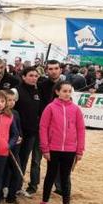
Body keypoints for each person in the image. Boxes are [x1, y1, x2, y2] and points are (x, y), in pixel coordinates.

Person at [36, 81, 86, 204]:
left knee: (65, 177)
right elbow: (43, 127)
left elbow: (81, 130)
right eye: (64, 91)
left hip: (70, 149)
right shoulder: (50, 107)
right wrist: (45, 148)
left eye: (69, 91)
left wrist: (79, 150)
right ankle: (44, 202)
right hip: (53, 148)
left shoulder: (76, 109)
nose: (67, 94)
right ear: (57, 92)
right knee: (50, 176)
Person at [26, 59, 65, 196]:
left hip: (58, 130)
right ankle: (33, 185)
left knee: (58, 159)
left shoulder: (66, 87)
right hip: (41, 127)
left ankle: (59, 186)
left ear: (60, 69)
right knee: (36, 158)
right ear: (46, 70)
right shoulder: (41, 85)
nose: (53, 71)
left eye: (56, 68)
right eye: (50, 69)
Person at [14, 67, 41, 200]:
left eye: (36, 76)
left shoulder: (37, 91)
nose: (34, 78)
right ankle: (8, 187)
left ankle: (18, 187)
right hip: (17, 134)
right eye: (31, 75)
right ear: (24, 77)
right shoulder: (16, 91)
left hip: (31, 133)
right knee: (14, 161)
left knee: (24, 160)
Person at [0, 89, 22, 204]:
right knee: (1, 172)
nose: (12, 102)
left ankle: (11, 196)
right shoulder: (1, 114)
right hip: (4, 148)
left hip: (15, 149)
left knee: (16, 172)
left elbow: (19, 129)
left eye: (14, 100)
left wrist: (20, 137)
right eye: (9, 100)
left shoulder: (16, 113)